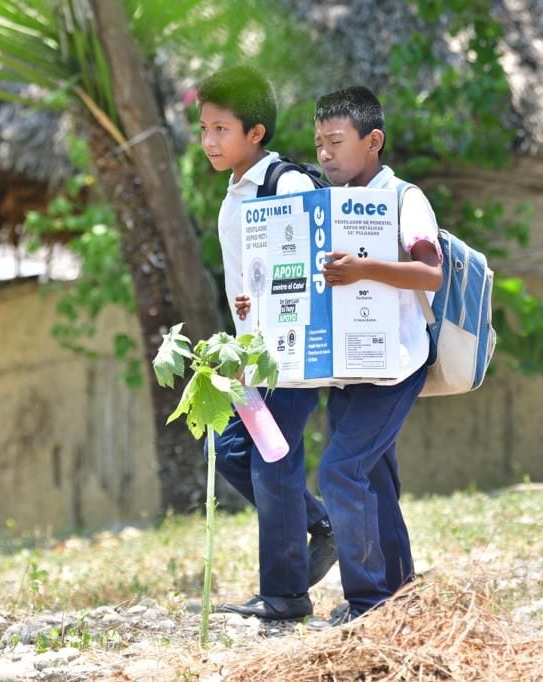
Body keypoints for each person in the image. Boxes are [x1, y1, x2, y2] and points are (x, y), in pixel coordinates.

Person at [196, 65, 336, 621]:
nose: (209, 141)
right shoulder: (236, 190)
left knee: (271, 463)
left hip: (291, 353)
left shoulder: (287, 184)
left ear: (255, 132)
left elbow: (315, 263)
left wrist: (267, 301)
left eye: (221, 130)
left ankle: (284, 594)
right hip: (254, 354)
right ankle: (321, 524)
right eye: (204, 129)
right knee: (229, 450)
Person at [314, 85, 443, 624]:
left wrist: (365, 269)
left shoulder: (404, 199)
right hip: (347, 370)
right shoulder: (325, 205)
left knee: (340, 473)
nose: (325, 154)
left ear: (373, 142)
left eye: (336, 141)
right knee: (375, 480)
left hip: (395, 366)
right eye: (319, 144)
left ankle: (367, 603)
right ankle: (402, 595)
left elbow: (431, 273)